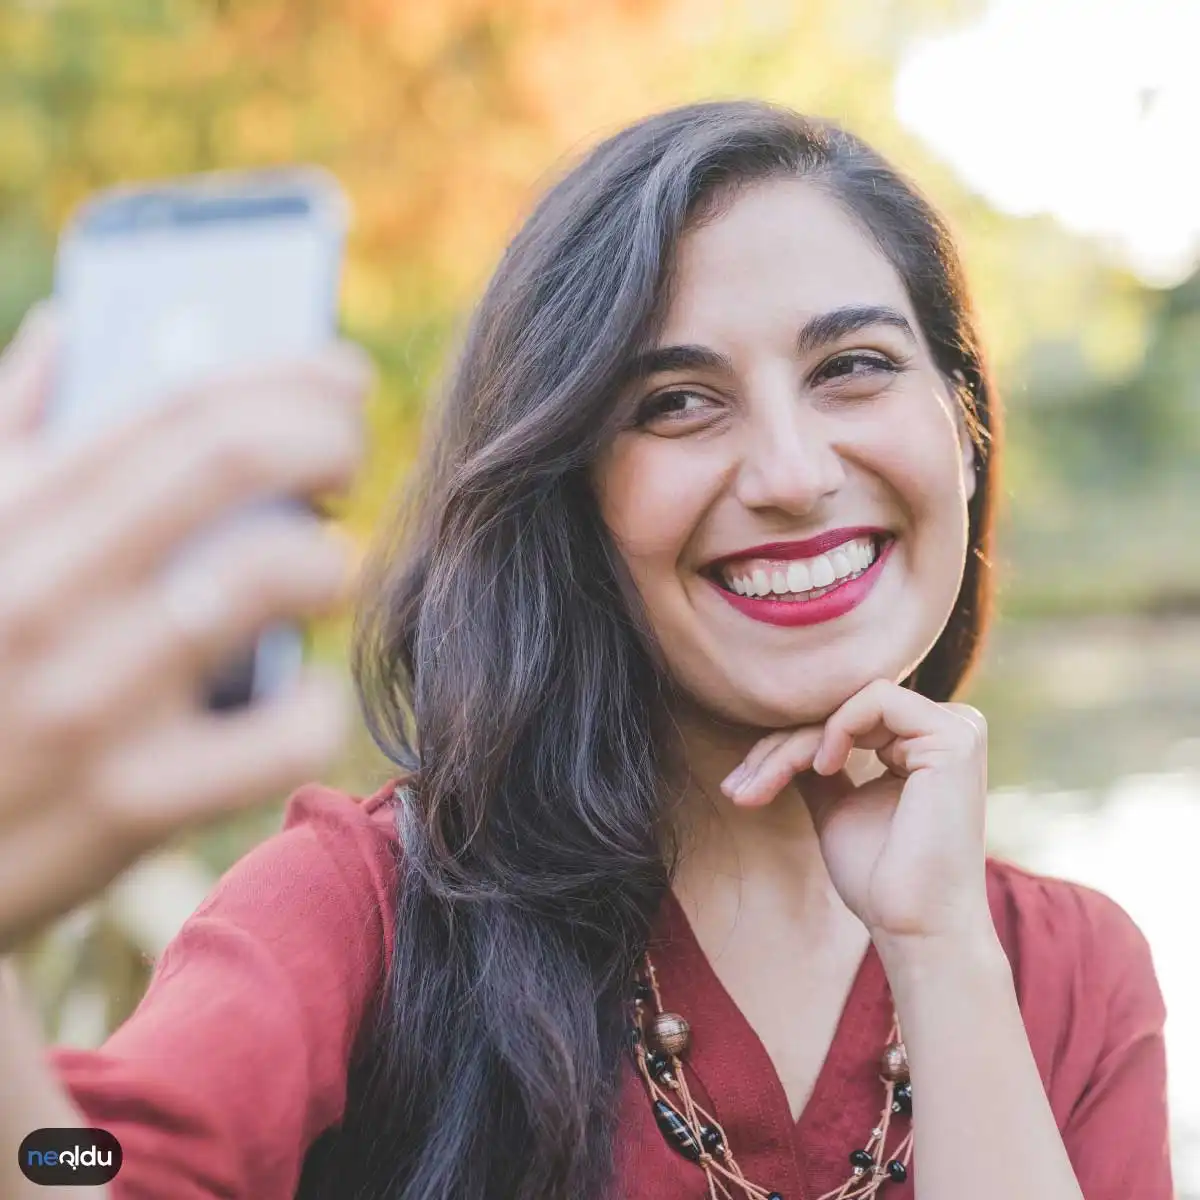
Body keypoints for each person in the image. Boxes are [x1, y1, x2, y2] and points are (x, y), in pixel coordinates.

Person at [0, 101, 1172, 1200]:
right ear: (569, 493)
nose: (792, 474)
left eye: (851, 369)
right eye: (674, 403)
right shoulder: (369, 904)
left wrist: (941, 951)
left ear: (964, 430)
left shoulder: (1070, 968)